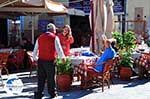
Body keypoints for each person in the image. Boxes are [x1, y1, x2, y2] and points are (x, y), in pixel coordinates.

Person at [33, 23, 65, 99]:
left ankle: (39, 93)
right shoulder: (54, 37)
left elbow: (35, 49)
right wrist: (62, 57)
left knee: (41, 78)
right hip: (50, 61)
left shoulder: (39, 37)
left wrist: (35, 58)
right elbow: (59, 49)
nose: (55, 31)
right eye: (55, 30)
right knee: (51, 78)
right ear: (53, 30)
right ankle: (52, 93)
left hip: (41, 61)